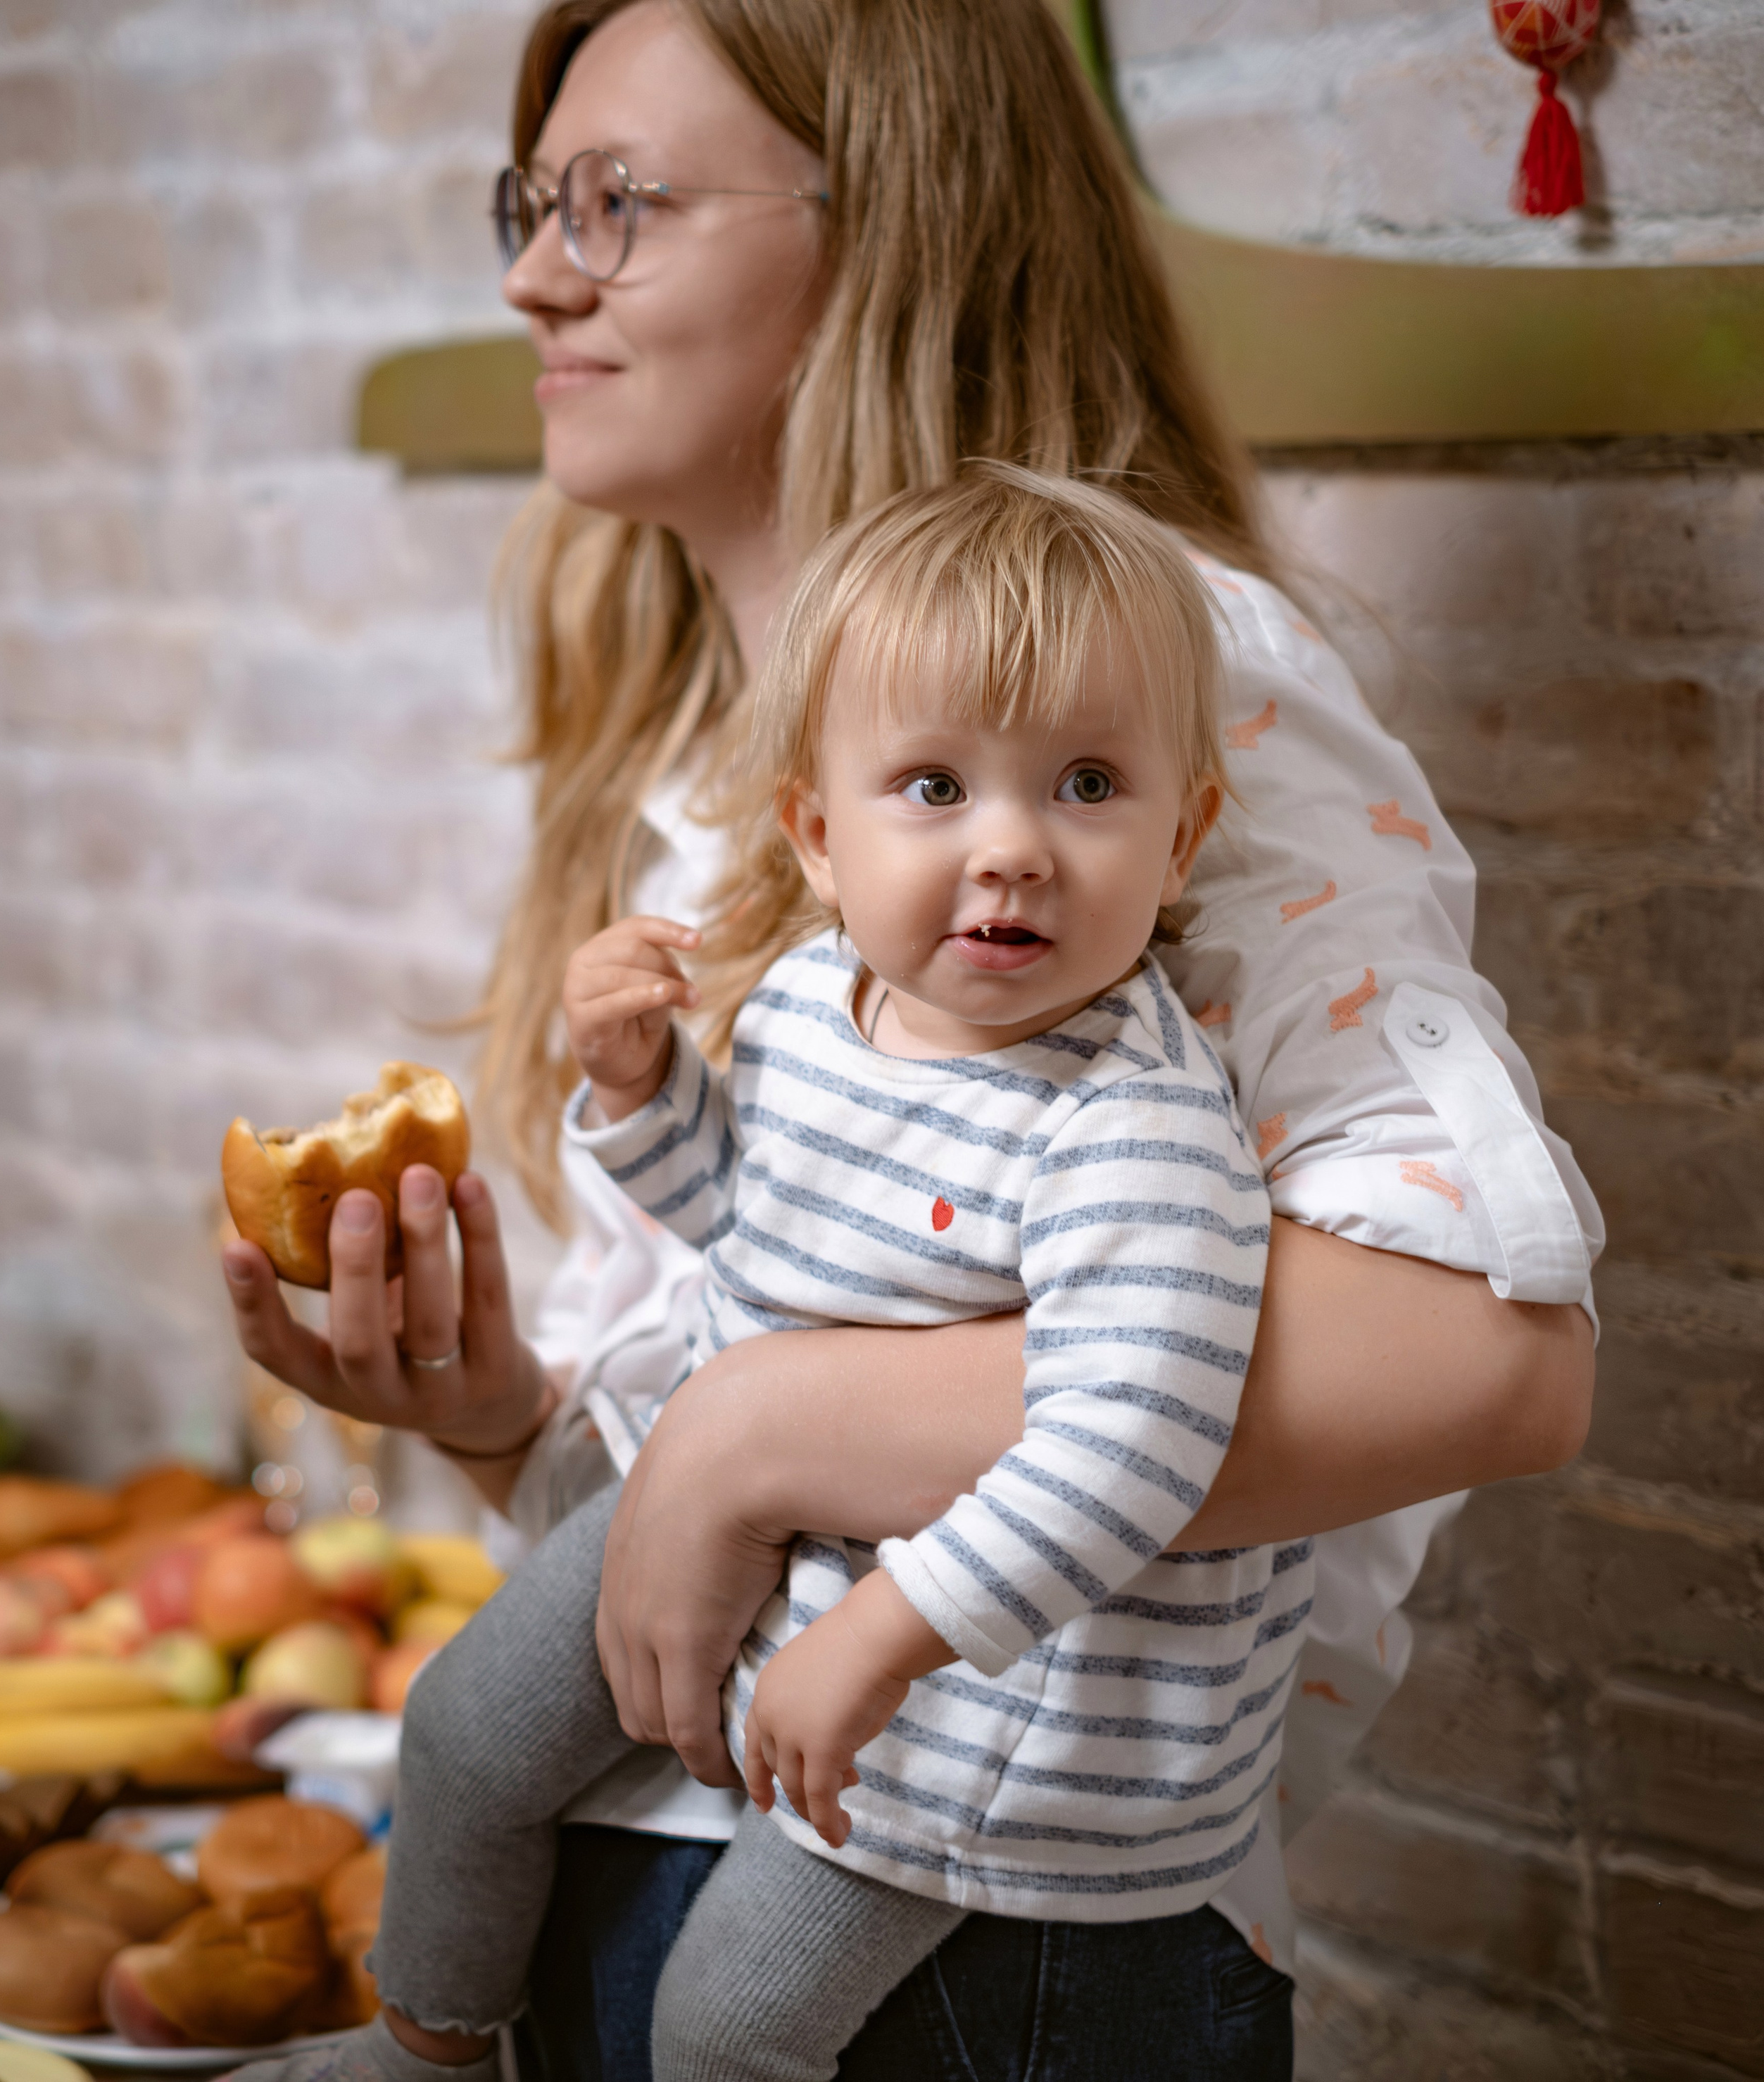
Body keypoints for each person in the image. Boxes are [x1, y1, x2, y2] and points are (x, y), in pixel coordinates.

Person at [220, 0, 1601, 2073]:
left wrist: (749, 1431)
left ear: (889, 230)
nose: (531, 271)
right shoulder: (726, 756)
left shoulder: (1153, 685)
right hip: (668, 1873)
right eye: (534, 202)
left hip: (982, 1933)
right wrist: (508, 1409)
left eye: (619, 203)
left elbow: (1492, 1359)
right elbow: (777, 1410)